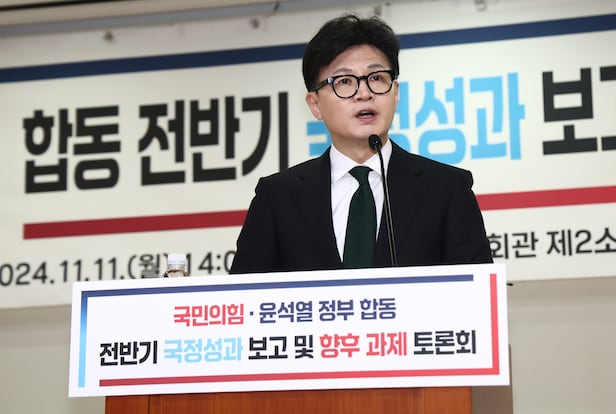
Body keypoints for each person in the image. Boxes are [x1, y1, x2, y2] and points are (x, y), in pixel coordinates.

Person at [229, 13, 492, 274]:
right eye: (344, 81)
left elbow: (477, 291)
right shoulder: (277, 198)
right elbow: (243, 295)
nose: (364, 93)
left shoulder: (447, 189)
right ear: (315, 105)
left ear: (395, 93)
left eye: (376, 78)